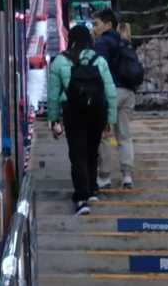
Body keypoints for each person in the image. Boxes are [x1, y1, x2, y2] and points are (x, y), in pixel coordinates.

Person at [47, 24, 117, 216]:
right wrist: (110, 120)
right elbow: (110, 92)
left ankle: (81, 198)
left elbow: (53, 95)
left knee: (77, 153)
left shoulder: (60, 61)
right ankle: (92, 189)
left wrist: (53, 120)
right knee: (92, 151)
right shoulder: (99, 60)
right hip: (97, 112)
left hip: (74, 112)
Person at [92, 8, 140, 190]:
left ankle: (104, 177)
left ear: (108, 24)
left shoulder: (102, 43)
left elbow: (99, 69)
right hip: (129, 92)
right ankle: (127, 176)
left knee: (104, 134)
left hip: (111, 92)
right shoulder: (123, 41)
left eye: (96, 24)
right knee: (124, 135)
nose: (94, 28)